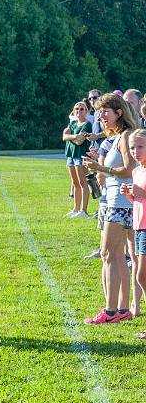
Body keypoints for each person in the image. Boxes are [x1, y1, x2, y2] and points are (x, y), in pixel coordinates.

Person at [83, 93, 139, 324]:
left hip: (121, 204)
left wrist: (102, 168)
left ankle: (111, 311)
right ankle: (122, 310)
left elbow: (129, 169)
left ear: (119, 113)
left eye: (106, 111)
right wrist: (100, 163)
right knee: (116, 256)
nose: (101, 116)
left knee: (108, 254)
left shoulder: (126, 136)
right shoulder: (116, 137)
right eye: (99, 111)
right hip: (113, 201)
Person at [120, 129, 146, 329]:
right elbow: (139, 201)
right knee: (140, 273)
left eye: (140, 146)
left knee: (140, 275)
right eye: (132, 147)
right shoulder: (137, 171)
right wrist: (131, 195)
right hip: (138, 226)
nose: (135, 151)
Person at [63, 101, 92, 217]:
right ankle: (75, 209)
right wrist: (74, 136)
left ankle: (83, 210)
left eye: (82, 109)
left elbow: (80, 141)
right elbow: (64, 137)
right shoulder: (73, 124)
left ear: (87, 112)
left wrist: (70, 137)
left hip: (80, 156)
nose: (78, 111)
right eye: (76, 109)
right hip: (71, 155)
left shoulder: (87, 124)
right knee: (75, 183)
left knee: (82, 182)